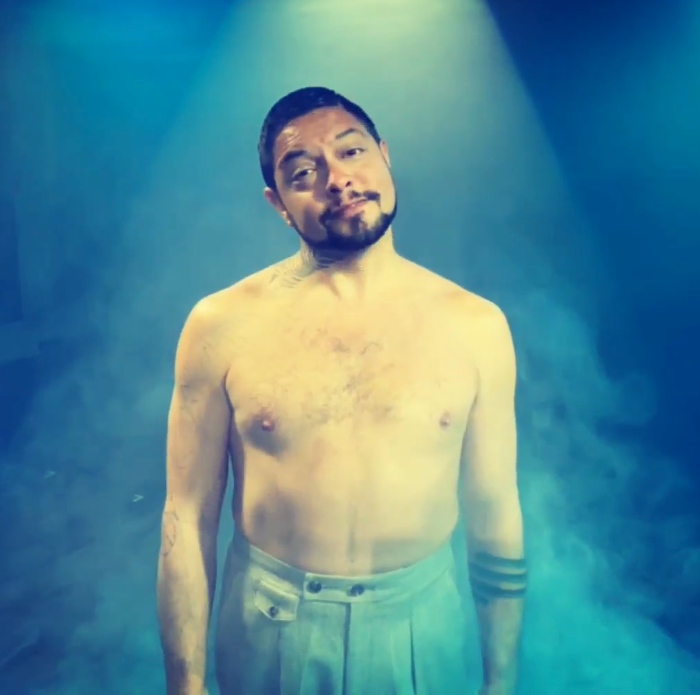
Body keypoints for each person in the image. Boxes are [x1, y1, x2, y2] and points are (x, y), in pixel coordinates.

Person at [156, 87, 527, 695]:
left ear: (384, 156)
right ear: (278, 203)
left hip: (423, 627)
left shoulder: (476, 325)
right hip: (271, 626)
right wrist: (186, 686)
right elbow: (186, 515)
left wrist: (501, 681)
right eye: (304, 172)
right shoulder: (220, 325)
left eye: (351, 152)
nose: (338, 180)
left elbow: (495, 513)